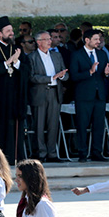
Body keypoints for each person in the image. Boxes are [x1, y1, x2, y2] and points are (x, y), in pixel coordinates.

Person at [0, 16, 28, 164]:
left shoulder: (17, 49)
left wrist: (17, 63)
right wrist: (7, 62)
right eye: (8, 31)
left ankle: (15, 157)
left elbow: (27, 71)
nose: (11, 33)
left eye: (12, 30)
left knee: (14, 129)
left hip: (14, 98)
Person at [70, 28, 109, 162]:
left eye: (99, 39)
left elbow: (104, 76)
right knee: (82, 125)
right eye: (95, 39)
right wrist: (89, 72)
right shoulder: (76, 55)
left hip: (99, 95)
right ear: (86, 40)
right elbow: (73, 76)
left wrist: (106, 73)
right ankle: (82, 153)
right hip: (83, 96)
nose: (98, 41)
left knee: (99, 125)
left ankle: (97, 152)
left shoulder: (102, 54)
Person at [28, 30, 68, 163]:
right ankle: (40, 153)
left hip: (55, 92)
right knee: (38, 125)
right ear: (39, 42)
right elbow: (31, 77)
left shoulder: (57, 55)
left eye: (50, 39)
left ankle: (52, 153)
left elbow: (66, 74)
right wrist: (50, 78)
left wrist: (61, 76)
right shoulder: (31, 57)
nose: (50, 41)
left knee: (53, 124)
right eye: (47, 39)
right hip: (40, 93)